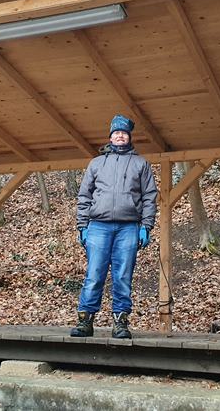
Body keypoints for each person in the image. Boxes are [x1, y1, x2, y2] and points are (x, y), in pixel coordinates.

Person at [70, 114, 158, 339]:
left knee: (123, 275)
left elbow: (149, 197)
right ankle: (85, 321)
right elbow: (84, 196)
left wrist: (146, 226)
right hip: (98, 226)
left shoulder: (141, 164)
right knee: (94, 273)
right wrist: (82, 226)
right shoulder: (96, 163)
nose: (120, 136)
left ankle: (120, 323)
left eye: (124, 133)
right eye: (116, 133)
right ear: (110, 137)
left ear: (129, 137)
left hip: (128, 227)